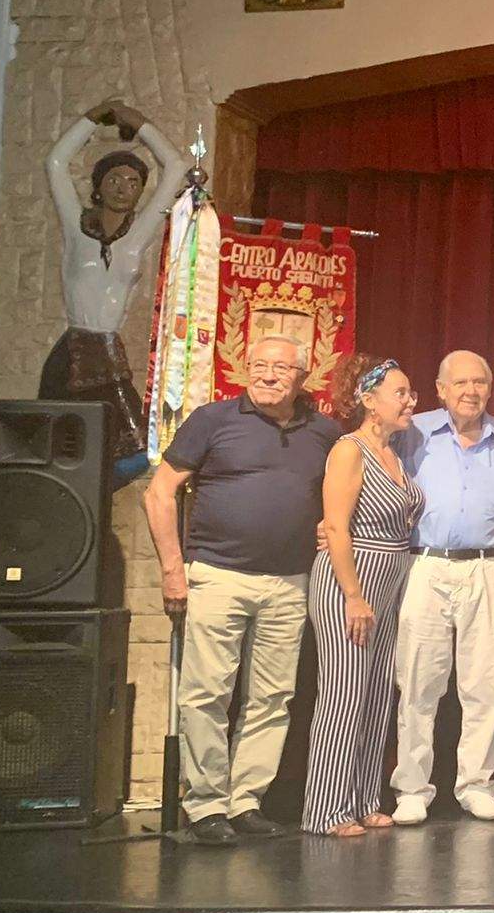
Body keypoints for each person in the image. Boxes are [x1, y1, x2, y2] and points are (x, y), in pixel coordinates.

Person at [142, 333, 342, 846]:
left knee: (272, 698)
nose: (269, 375)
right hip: (218, 575)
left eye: (281, 368)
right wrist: (172, 569)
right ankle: (206, 805)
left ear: (303, 376)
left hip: (290, 582)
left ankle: (245, 801)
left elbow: (338, 498)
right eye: (259, 365)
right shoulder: (212, 420)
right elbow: (159, 494)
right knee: (206, 693)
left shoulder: (324, 432)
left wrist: (327, 525)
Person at [388, 350, 494, 826]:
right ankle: (412, 789)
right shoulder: (413, 432)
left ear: (490, 388)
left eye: (479, 382)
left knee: (485, 685)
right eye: (460, 383)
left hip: (491, 567)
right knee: (418, 683)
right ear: (440, 390)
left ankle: (477, 786)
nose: (471, 391)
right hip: (427, 566)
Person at [304, 357, 425, 837]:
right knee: (343, 694)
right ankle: (327, 810)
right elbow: (336, 526)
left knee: (375, 693)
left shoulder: (395, 453)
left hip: (390, 580)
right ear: (370, 401)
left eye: (411, 392)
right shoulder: (349, 450)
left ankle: (363, 798)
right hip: (351, 580)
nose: (410, 401)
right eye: (401, 393)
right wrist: (353, 596)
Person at [42, 98, 190, 459]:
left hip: (109, 351)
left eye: (133, 182)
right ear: (98, 186)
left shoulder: (137, 234)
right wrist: (92, 118)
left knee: (136, 448)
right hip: (73, 354)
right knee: (63, 445)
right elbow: (56, 162)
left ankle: (98, 489)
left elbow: (175, 166)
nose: (123, 188)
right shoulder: (77, 226)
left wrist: (139, 123)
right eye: (114, 180)